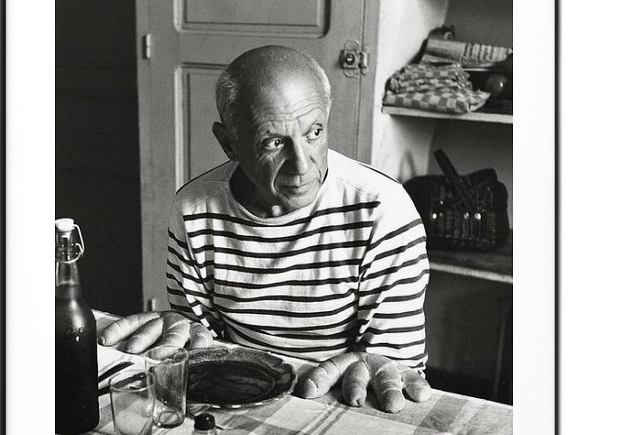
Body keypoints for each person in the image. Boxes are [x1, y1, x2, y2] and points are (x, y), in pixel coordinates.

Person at [100, 45, 432, 410]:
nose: (301, 165)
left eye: (314, 132)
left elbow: (394, 364)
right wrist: (184, 329)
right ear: (229, 143)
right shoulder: (194, 209)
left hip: (342, 398)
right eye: (274, 142)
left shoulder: (382, 209)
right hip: (242, 391)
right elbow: (199, 338)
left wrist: (375, 365)